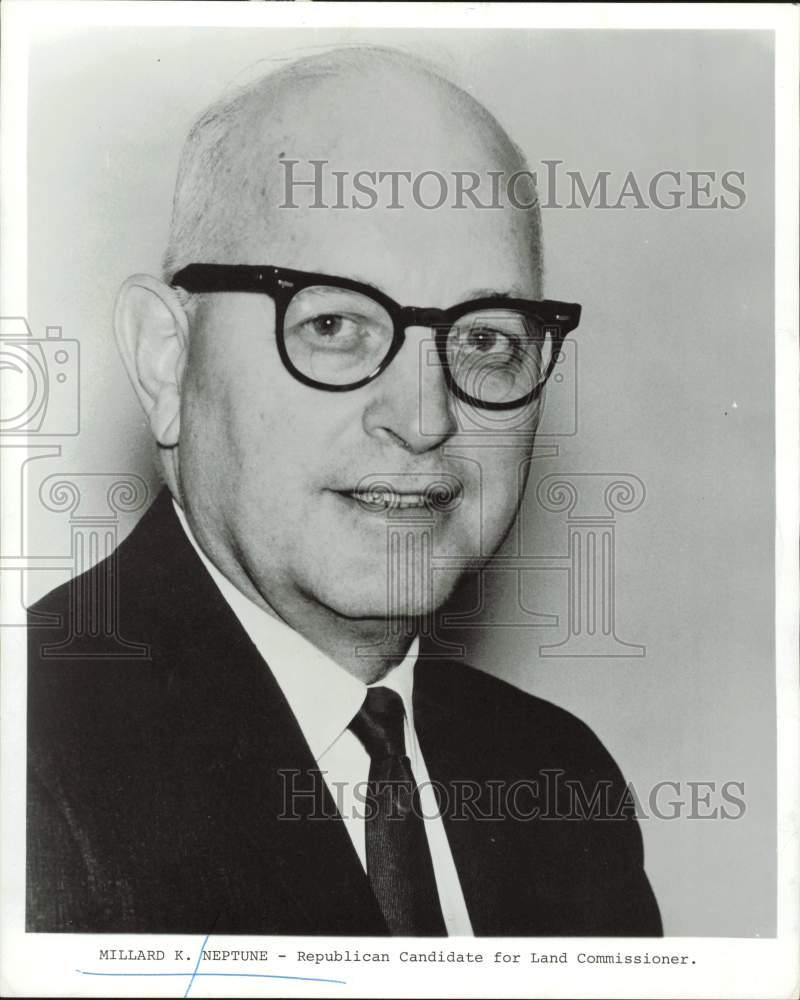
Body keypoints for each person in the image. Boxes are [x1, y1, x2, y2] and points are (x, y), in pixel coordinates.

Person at [26, 46, 662, 936]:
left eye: (485, 340)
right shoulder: (31, 752)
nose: (424, 415)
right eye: (333, 324)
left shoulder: (560, 784)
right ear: (168, 360)